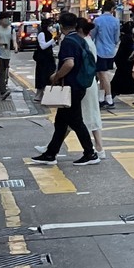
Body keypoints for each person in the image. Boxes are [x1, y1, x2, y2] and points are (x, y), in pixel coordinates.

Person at [28, 10, 98, 166]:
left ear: (61, 26)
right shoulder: (80, 39)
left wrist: (56, 76)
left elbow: (69, 63)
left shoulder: (68, 41)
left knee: (76, 121)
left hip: (72, 86)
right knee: (61, 121)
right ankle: (51, 154)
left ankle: (90, 153)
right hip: (79, 85)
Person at [76, 17, 105, 154]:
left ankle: (99, 148)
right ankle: (52, 147)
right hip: (89, 82)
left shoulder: (84, 43)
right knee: (90, 114)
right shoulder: (88, 42)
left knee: (86, 115)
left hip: (84, 83)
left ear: (80, 30)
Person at [90, 1, 120, 111]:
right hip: (110, 51)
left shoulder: (97, 20)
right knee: (103, 74)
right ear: (112, 9)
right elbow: (117, 38)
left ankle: (109, 98)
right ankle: (101, 98)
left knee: (102, 74)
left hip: (99, 50)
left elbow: (92, 35)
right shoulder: (116, 21)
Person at [0, 11, 16, 100]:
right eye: (5, 18)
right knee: (0, 71)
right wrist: (1, 44)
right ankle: (2, 90)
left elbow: (14, 40)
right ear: (0, 20)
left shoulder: (12, 29)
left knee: (4, 71)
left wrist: (16, 47)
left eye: (8, 19)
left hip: (7, 54)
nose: (7, 20)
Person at [33, 18, 56, 103]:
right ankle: (39, 95)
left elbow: (50, 45)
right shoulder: (41, 34)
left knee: (48, 76)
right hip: (42, 59)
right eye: (50, 25)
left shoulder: (49, 33)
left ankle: (46, 95)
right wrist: (53, 40)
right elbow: (43, 46)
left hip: (49, 58)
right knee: (42, 76)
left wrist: (54, 41)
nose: (51, 27)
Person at [112, 17, 134, 98]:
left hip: (123, 63)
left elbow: (120, 52)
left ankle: (112, 93)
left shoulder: (125, 38)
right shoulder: (131, 38)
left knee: (117, 81)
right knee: (133, 79)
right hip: (129, 62)